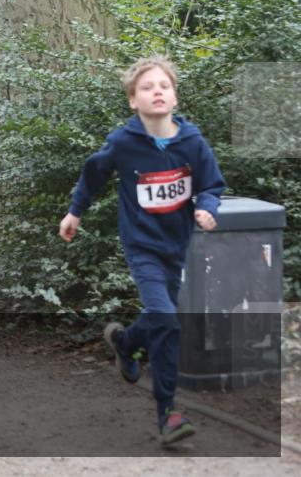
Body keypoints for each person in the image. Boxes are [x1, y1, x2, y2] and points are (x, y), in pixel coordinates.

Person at [59, 56, 226, 445]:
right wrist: (74, 213)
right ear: (133, 100)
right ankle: (168, 413)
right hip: (142, 246)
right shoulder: (123, 143)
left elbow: (212, 185)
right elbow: (93, 172)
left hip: (178, 246)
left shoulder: (192, 143)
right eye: (148, 87)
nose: (157, 92)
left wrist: (206, 207)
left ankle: (127, 342)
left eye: (164, 86)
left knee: (164, 322)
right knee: (166, 319)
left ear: (174, 96)